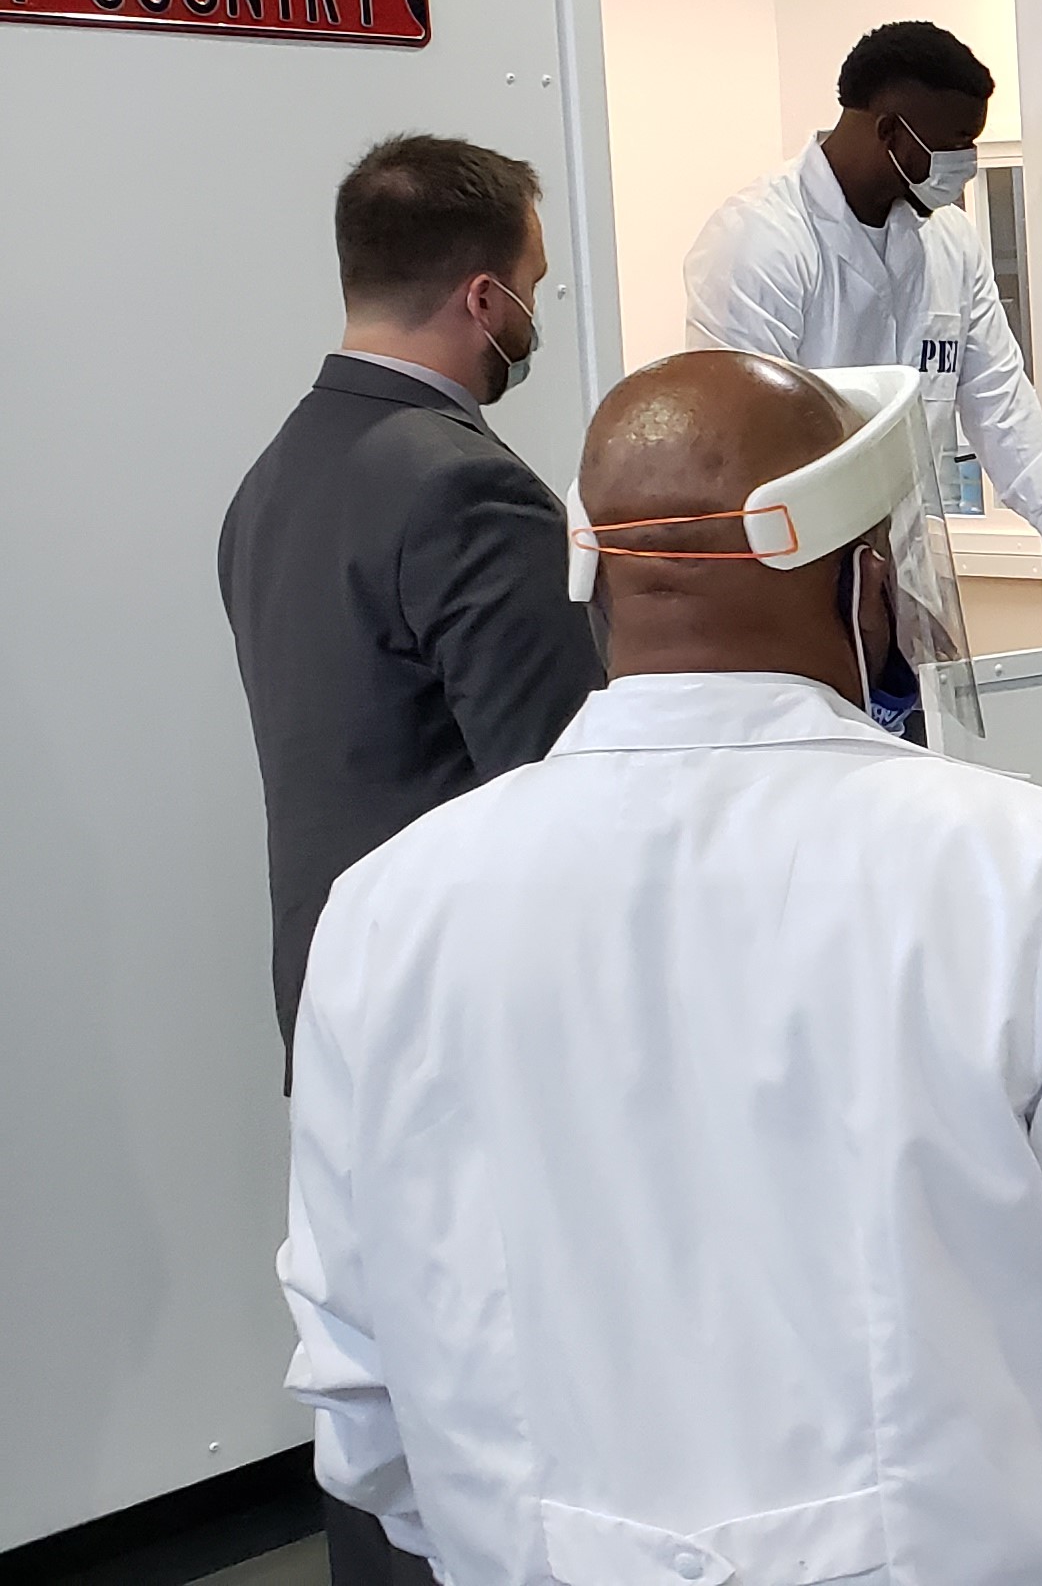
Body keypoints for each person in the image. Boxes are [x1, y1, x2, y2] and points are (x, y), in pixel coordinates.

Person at [281, 350, 1042, 1582]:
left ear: (599, 581)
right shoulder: (1018, 870)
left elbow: (356, 1355)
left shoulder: (389, 909)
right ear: (866, 582)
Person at [217, 134, 605, 1586]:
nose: (535, 322)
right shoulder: (465, 488)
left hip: (331, 1000)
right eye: (539, 290)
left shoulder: (279, 475)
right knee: (502, 1386)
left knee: (380, 1369)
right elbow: (556, 789)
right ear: (486, 296)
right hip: (470, 1020)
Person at [682, 18, 1042, 647]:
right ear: (890, 132)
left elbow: (996, 393)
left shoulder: (948, 240)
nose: (969, 165)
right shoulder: (760, 242)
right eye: (958, 142)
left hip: (903, 565)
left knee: (924, 728)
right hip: (792, 578)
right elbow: (745, 444)